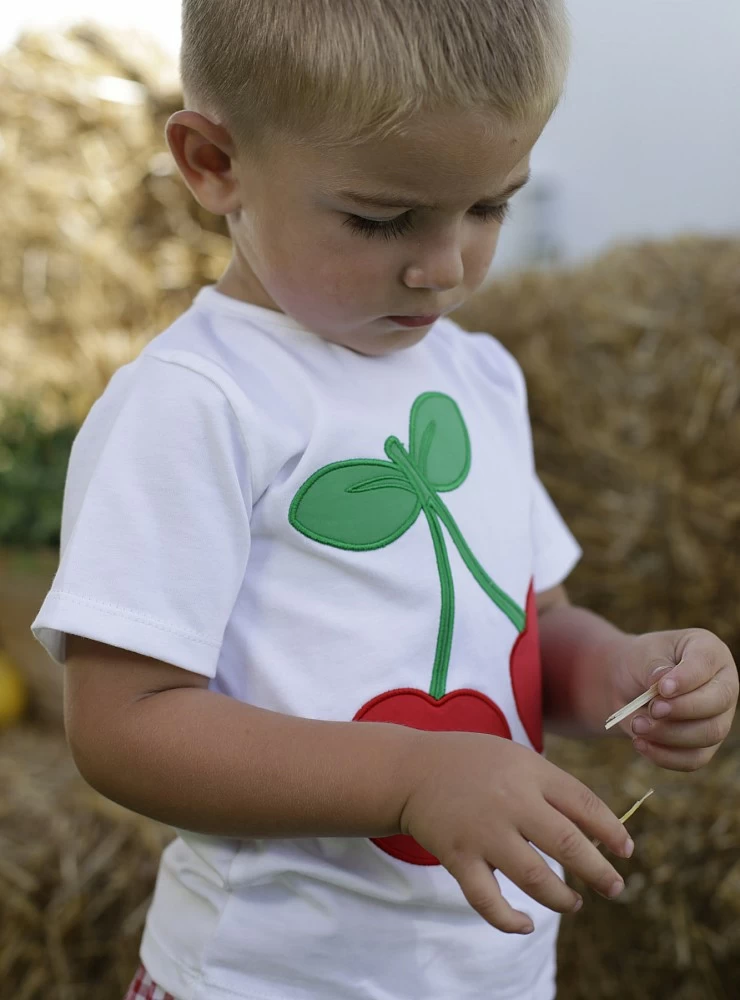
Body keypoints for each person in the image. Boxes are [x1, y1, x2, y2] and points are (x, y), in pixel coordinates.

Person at [31, 2, 738, 998]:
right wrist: (413, 775)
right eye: (379, 218)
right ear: (211, 163)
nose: (444, 267)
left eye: (489, 207)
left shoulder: (476, 376)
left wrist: (626, 674)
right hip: (264, 977)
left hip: (488, 971)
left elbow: (531, 630)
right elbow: (124, 725)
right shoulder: (199, 401)